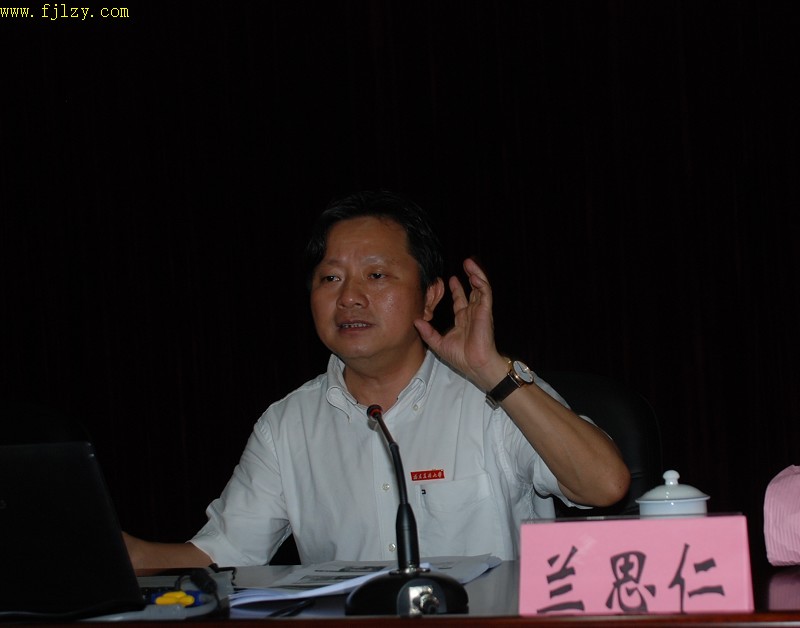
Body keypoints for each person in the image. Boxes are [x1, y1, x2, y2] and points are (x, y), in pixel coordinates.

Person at [124, 190, 630, 570]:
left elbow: (604, 486)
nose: (349, 297)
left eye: (377, 275)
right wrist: (125, 553)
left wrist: (491, 371)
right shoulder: (287, 425)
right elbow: (224, 553)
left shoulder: (493, 396)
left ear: (430, 296)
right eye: (330, 278)